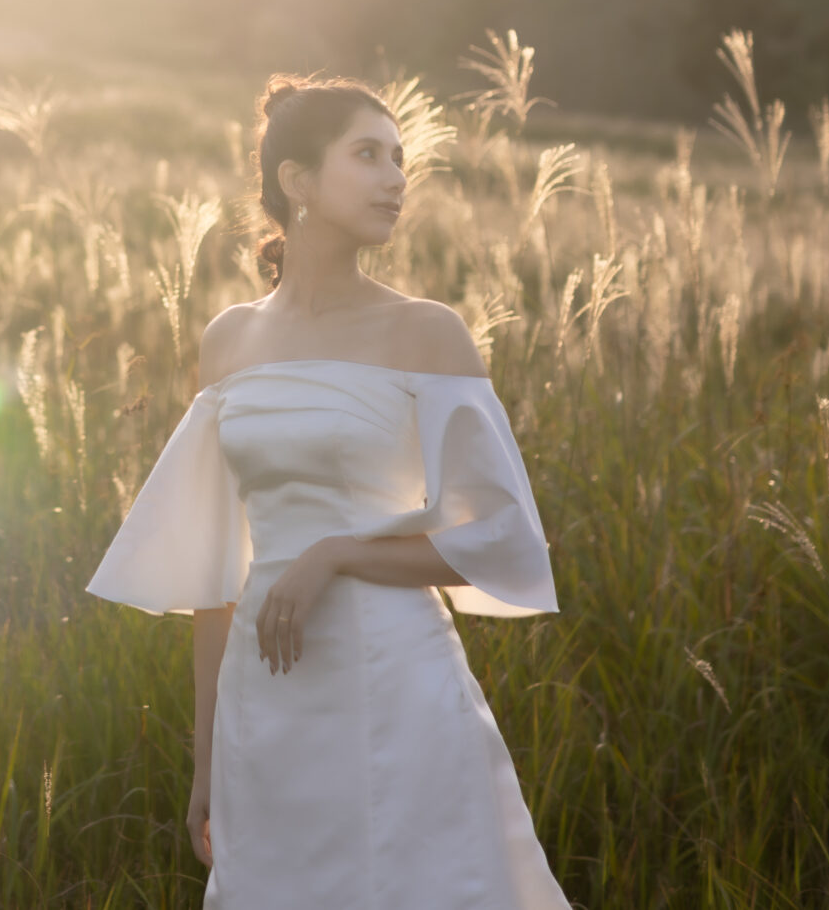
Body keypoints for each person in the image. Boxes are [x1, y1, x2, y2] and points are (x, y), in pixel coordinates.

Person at [85, 75, 567, 907]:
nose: (395, 179)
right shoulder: (230, 339)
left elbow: (497, 531)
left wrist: (338, 551)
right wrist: (208, 763)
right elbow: (213, 571)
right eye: (368, 154)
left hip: (394, 678)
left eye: (400, 159)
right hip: (264, 696)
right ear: (297, 183)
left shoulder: (426, 330)